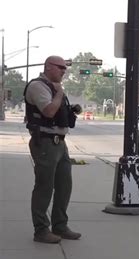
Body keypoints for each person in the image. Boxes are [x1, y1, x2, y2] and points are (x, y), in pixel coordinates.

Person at [24, 56, 81, 243]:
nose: (64, 71)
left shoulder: (55, 87)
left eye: (65, 68)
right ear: (48, 67)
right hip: (45, 142)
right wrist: (59, 94)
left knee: (65, 185)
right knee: (44, 186)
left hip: (60, 143)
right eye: (60, 67)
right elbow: (48, 111)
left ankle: (60, 226)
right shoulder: (38, 86)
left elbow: (58, 113)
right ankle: (41, 230)